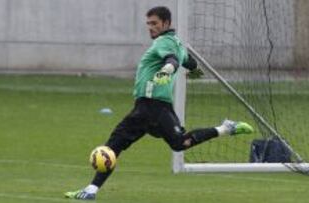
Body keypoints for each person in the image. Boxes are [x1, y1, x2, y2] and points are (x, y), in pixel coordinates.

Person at [65, 6, 253, 200]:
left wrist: (165, 71)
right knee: (179, 143)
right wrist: (194, 72)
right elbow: (189, 63)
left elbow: (171, 61)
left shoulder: (163, 42)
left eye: (154, 23)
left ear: (166, 23)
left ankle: (91, 190)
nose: (150, 28)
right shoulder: (178, 44)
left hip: (148, 107)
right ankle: (225, 129)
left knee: (113, 146)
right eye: (148, 24)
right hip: (159, 109)